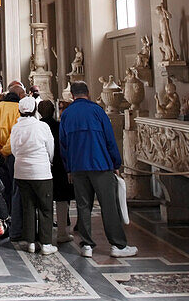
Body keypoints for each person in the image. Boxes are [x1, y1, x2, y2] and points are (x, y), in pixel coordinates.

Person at [59, 81, 136, 258]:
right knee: (109, 205)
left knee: (83, 206)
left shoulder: (67, 114)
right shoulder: (97, 111)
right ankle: (118, 245)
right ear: (88, 93)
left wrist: (69, 168)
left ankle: (86, 244)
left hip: (77, 166)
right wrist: (116, 163)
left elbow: (63, 145)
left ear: (72, 95)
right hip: (100, 164)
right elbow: (110, 139)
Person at [9, 95, 57, 255]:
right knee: (45, 208)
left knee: (28, 207)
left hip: (22, 171)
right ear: (35, 110)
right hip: (41, 171)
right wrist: (47, 161)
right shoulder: (42, 127)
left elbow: (14, 150)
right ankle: (46, 243)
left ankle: (30, 242)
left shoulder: (16, 128)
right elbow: (50, 148)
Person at [0, 80, 26, 240]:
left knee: (3, 191)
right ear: (18, 95)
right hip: (13, 155)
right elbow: (16, 135)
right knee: (16, 191)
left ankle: (5, 222)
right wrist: (4, 152)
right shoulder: (18, 109)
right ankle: (16, 225)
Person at [38, 99, 73, 243]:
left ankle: (43, 233)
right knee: (62, 200)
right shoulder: (60, 126)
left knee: (43, 201)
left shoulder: (37, 127)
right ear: (53, 111)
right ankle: (62, 232)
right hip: (60, 166)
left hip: (42, 166)